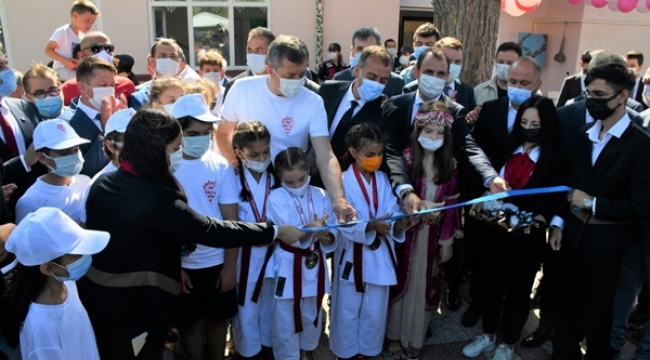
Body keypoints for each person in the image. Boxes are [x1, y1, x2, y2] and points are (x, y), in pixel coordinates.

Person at [77, 107, 304, 359]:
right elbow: (211, 230)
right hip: (134, 306)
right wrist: (274, 231)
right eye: (174, 149)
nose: (178, 155)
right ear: (155, 151)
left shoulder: (104, 183)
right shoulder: (154, 197)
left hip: (102, 297)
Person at [550, 63, 650, 360]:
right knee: (564, 316)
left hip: (609, 250)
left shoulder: (640, 145)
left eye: (599, 94)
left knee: (599, 322)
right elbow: (568, 185)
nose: (591, 100)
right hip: (570, 240)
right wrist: (557, 222)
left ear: (622, 96)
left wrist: (593, 203)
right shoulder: (583, 133)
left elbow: (641, 205)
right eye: (587, 93)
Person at [461, 96, 565, 360]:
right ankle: (487, 335)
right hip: (495, 232)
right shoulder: (508, 146)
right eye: (524, 121)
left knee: (519, 292)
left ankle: (507, 342)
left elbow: (559, 198)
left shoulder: (555, 158)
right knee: (489, 285)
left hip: (527, 239)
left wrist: (553, 223)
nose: (529, 127)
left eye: (536, 123)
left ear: (547, 125)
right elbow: (488, 177)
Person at [218, 35, 356, 224]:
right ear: (270, 71)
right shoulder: (242, 89)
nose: (297, 80)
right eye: (290, 75)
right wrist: (237, 166)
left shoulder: (313, 101)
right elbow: (223, 132)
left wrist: (338, 198)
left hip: (291, 185)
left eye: (302, 74)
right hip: (250, 184)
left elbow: (325, 155)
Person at [462, 56, 544, 328]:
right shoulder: (489, 109)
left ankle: (508, 314)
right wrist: (489, 180)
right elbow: (473, 148)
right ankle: (478, 303)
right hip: (486, 199)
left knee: (513, 268)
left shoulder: (546, 115)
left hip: (524, 208)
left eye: (524, 82)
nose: (517, 87)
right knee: (480, 258)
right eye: (512, 81)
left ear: (537, 84)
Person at [386, 102, 461, 360]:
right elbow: (395, 199)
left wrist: (447, 241)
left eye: (439, 133)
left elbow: (451, 206)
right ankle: (394, 336)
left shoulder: (450, 165)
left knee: (425, 285)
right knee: (400, 284)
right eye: (428, 131)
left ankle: (415, 337)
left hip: (432, 238)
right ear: (417, 130)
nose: (433, 137)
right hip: (406, 236)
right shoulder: (406, 159)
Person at [329, 123, 409, 360]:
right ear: (353, 152)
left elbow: (392, 209)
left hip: (380, 254)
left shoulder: (383, 178)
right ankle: (345, 351)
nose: (376, 159)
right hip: (352, 253)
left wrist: (397, 223)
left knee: (375, 309)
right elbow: (339, 219)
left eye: (379, 154)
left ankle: (368, 349)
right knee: (347, 308)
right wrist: (370, 226)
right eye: (370, 155)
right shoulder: (341, 182)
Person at [169, 94, 235, 360]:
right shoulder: (166, 168)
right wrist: (175, 267)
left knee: (218, 322)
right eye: (193, 133)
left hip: (216, 262)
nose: (202, 138)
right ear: (178, 132)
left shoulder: (220, 166)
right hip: (183, 267)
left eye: (207, 132)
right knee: (191, 325)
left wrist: (230, 267)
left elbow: (232, 222)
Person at [7, 207, 110, 360]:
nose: (85, 255)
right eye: (77, 252)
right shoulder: (42, 329)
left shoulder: (66, 283)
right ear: (48, 268)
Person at [267, 147, 336, 360]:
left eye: (301, 179)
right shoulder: (276, 197)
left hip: (314, 260)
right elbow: (291, 231)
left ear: (309, 172)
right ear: (279, 178)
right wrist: (313, 228)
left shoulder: (321, 194)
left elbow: (332, 229)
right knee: (285, 316)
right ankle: (288, 356)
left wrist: (326, 236)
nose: (296, 185)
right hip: (288, 262)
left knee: (310, 312)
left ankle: (306, 350)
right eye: (289, 182)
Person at [231, 121, 277, 360]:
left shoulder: (278, 174)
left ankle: (269, 349)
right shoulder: (230, 177)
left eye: (266, 151)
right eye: (254, 154)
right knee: (246, 309)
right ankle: (247, 353)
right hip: (244, 257)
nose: (262, 157)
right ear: (239, 153)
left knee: (270, 306)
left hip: (273, 255)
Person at [318, 45, 397, 162]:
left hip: (353, 177)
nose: (376, 83)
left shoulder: (387, 111)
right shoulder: (328, 90)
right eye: (372, 77)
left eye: (383, 81)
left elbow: (391, 154)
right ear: (357, 71)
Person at [15, 119, 90, 223]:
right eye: (64, 152)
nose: (74, 156)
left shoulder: (86, 182)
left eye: (76, 149)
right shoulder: (30, 202)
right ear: (42, 158)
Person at [0, 53, 45, 215]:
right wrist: (23, 162)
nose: (7, 71)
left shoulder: (25, 107)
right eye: (0, 67)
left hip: (39, 207)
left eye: (6, 64)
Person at [68, 57, 127, 178]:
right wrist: (107, 133)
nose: (109, 90)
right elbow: (83, 172)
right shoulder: (67, 123)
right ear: (82, 87)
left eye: (112, 85)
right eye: (103, 85)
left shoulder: (121, 112)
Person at [60, 31, 136, 106]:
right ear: (82, 55)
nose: (103, 53)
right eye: (96, 49)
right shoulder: (67, 89)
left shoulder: (127, 85)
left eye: (108, 48)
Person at [403, 37, 477, 112]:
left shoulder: (467, 91)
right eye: (449, 60)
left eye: (457, 62)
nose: (453, 65)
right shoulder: (411, 89)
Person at [333, 27, 404, 97]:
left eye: (370, 49)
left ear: (380, 49)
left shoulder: (396, 82)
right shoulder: (340, 78)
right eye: (360, 49)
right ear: (353, 50)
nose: (364, 53)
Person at [130, 38, 200, 110]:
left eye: (173, 56)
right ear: (152, 61)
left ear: (180, 63)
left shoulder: (191, 93)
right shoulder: (140, 98)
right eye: (162, 56)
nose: (168, 60)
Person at [45, 0, 99, 81]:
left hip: (75, 70)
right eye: (87, 20)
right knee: (84, 81)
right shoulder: (63, 31)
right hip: (62, 70)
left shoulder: (82, 37)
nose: (89, 25)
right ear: (75, 16)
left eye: (92, 22)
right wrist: (65, 61)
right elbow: (48, 50)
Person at [222, 27, 275, 100]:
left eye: (259, 50)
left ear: (272, 52)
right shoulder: (234, 85)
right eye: (249, 50)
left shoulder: (280, 83)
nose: (253, 55)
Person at [473, 42, 522, 106]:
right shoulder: (479, 91)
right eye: (501, 62)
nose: (504, 66)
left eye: (509, 63)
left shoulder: (526, 93)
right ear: (495, 60)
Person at [198, 50, 227, 117]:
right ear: (200, 72)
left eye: (215, 70)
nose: (211, 73)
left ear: (221, 72)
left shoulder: (227, 94)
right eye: (207, 70)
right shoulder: (196, 95)